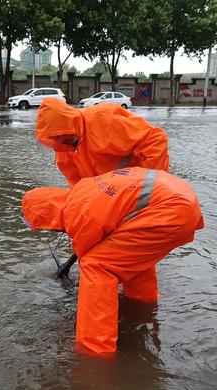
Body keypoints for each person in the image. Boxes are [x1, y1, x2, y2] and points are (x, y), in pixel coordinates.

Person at [22, 167, 204, 354]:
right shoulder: (82, 192)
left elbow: (86, 250)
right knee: (126, 254)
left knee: (97, 265)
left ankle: (94, 347)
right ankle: (143, 302)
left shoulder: (75, 210)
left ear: (46, 216)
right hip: (183, 200)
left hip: (167, 209)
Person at [36, 98, 170, 186]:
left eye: (56, 136)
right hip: (110, 193)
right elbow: (78, 186)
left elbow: (154, 139)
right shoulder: (63, 150)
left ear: (66, 127)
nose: (55, 143)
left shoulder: (104, 121)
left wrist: (145, 184)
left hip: (137, 184)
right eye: (51, 139)